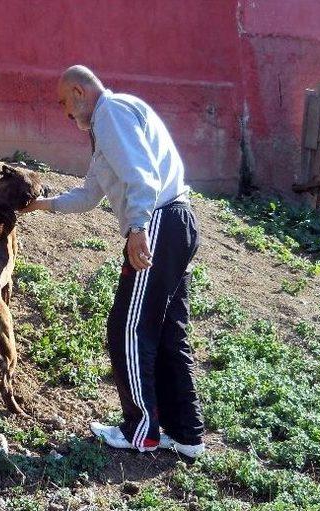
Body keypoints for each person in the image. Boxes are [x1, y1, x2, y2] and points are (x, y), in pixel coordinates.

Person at [22, 65, 204, 457]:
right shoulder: (115, 120)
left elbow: (143, 178)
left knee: (128, 327)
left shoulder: (110, 114)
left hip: (155, 223)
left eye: (63, 103)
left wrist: (137, 227)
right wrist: (41, 206)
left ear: (78, 91)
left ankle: (142, 432)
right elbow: (90, 195)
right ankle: (186, 435)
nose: (65, 114)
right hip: (177, 221)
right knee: (169, 332)